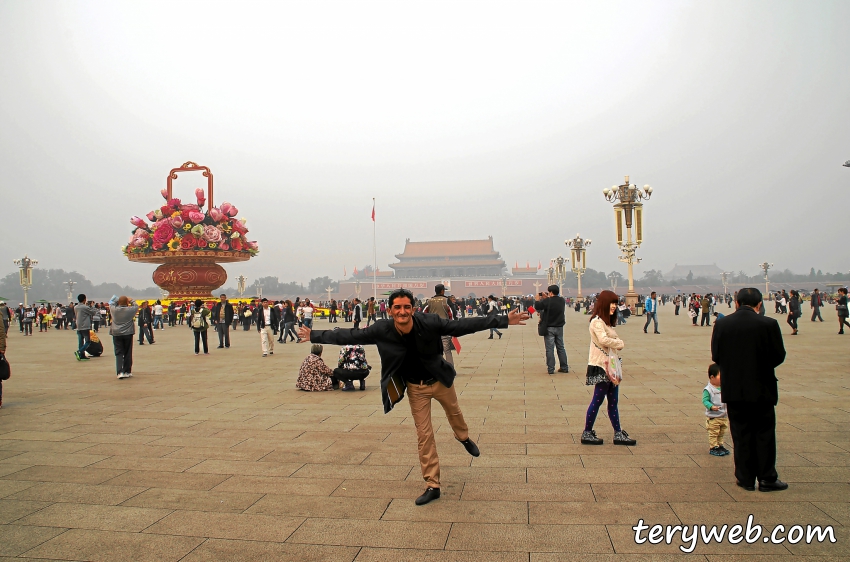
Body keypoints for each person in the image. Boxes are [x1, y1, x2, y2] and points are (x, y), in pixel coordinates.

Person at [298, 287, 529, 506]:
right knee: (424, 434)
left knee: (455, 414)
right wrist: (314, 335)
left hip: (439, 381)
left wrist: (503, 320)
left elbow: (462, 326)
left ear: (413, 309)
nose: (402, 312)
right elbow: (351, 335)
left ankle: (464, 437)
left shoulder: (429, 322)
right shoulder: (382, 329)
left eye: (406, 307)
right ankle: (432, 484)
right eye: (397, 307)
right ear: (390, 310)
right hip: (415, 388)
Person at [711, 287, 787, 492]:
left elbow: (716, 355)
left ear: (736, 303)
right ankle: (766, 478)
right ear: (759, 304)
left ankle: (745, 478)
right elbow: (778, 355)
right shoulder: (769, 324)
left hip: (735, 388)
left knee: (741, 433)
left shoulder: (722, 324)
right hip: (762, 387)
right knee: (764, 433)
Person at [581, 290, 636, 446]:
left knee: (613, 401)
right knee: (597, 400)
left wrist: (616, 341)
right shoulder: (597, 322)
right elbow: (603, 340)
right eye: (611, 303)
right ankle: (587, 432)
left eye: (615, 303)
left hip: (611, 365)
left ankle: (618, 432)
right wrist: (619, 343)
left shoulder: (605, 322)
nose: (614, 307)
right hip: (601, 365)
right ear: (604, 303)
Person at [534, 285, 569, 375]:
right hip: (559, 326)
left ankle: (551, 368)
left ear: (550, 292)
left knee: (549, 349)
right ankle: (564, 367)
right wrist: (547, 298)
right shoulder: (562, 300)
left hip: (549, 327)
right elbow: (552, 302)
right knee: (561, 347)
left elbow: (538, 307)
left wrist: (538, 299)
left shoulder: (547, 301)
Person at [424, 284, 455, 367]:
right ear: (442, 291)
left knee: (435, 350)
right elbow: (453, 313)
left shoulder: (429, 301)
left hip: (432, 329)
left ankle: (436, 369)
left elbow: (423, 314)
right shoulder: (446, 300)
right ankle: (450, 368)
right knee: (447, 350)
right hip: (445, 328)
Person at [703, 363, 729, 456]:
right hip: (713, 417)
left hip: (723, 415)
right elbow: (705, 400)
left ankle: (720, 445)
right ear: (712, 377)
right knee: (714, 433)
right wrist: (711, 406)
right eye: (720, 376)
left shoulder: (724, 387)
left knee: (721, 432)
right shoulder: (708, 389)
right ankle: (713, 446)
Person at [109, 296, 138, 379]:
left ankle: (119, 371)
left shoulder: (114, 310)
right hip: (128, 333)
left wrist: (116, 300)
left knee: (119, 353)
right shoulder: (130, 310)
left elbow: (111, 302)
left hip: (116, 333)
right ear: (127, 303)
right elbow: (136, 305)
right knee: (128, 352)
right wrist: (131, 300)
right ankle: (127, 371)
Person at [73, 294, 98, 360]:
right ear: (84, 299)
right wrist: (92, 306)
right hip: (85, 326)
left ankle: (82, 355)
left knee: (80, 341)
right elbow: (93, 313)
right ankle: (79, 352)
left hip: (78, 325)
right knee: (88, 341)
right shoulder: (85, 307)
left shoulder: (75, 307)